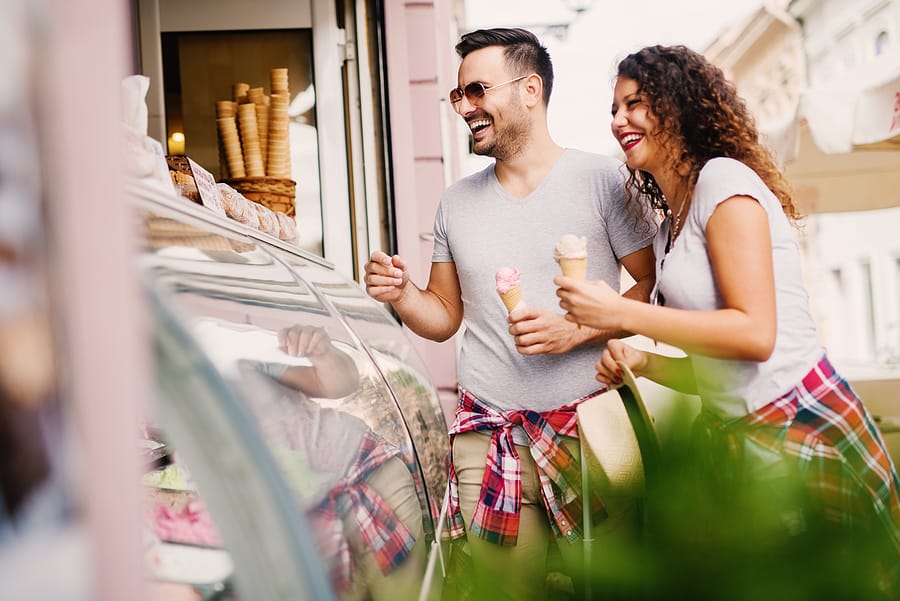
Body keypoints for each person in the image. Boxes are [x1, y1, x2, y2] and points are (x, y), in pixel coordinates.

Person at [555, 44, 900, 590]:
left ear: (678, 106)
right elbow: (721, 369)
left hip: (799, 427)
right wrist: (645, 364)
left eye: (636, 103)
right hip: (741, 443)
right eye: (615, 109)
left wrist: (624, 313)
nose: (619, 120)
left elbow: (755, 336)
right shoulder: (673, 222)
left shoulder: (723, 181)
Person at [364, 27, 655, 600]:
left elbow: (652, 285)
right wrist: (401, 294)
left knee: (613, 588)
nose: (466, 106)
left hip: (592, 428)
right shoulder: (456, 202)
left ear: (530, 89)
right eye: (458, 96)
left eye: (476, 90)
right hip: (489, 430)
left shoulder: (604, 180)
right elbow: (444, 315)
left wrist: (577, 330)